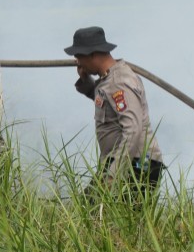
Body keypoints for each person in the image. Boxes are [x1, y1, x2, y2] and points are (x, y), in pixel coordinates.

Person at [65, 26, 164, 197]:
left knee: (93, 215)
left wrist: (113, 174)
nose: (77, 61)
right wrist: (85, 80)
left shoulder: (119, 82)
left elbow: (132, 128)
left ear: (93, 54)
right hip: (123, 162)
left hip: (136, 165)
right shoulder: (108, 80)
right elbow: (106, 103)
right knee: (88, 211)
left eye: (79, 56)